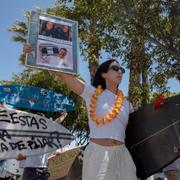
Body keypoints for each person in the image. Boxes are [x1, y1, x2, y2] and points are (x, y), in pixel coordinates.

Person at [24, 44, 138, 180]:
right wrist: (34, 54)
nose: (120, 71)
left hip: (123, 155)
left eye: (122, 69)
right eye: (115, 68)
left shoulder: (127, 104)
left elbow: (137, 130)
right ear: (104, 74)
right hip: (98, 154)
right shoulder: (93, 93)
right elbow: (65, 75)